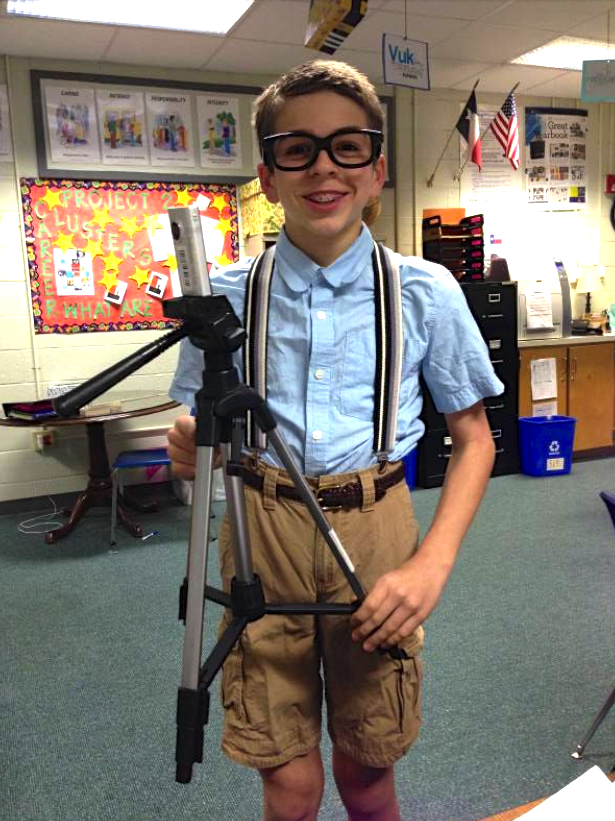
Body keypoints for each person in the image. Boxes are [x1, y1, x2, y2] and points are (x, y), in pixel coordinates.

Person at [167, 59, 503, 821]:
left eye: (346, 146)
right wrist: (188, 441)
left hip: (375, 524)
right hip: (261, 529)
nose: (323, 166)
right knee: (285, 779)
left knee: (367, 768)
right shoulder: (223, 293)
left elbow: (474, 437)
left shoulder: (424, 290)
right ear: (268, 173)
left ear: (377, 169)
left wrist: (430, 567)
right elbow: (194, 422)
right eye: (297, 148)